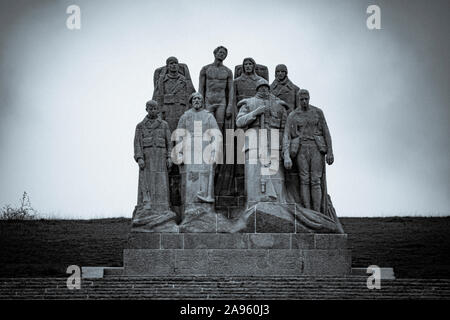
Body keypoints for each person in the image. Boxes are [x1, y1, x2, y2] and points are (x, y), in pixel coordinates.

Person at [235, 79, 288, 205]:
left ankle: (277, 204)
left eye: (266, 87)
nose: (263, 90)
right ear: (257, 89)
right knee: (253, 174)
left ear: (269, 89)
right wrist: (255, 113)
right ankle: (254, 204)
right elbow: (239, 122)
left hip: (273, 142)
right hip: (254, 140)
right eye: (261, 87)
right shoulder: (248, 103)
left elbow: (285, 128)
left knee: (275, 175)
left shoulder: (279, 105)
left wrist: (285, 150)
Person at [283, 89, 334, 213]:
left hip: (316, 147)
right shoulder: (293, 115)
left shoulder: (317, 112)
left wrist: (330, 151)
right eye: (301, 99)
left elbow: (326, 131)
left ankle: (317, 212)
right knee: (304, 180)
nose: (304, 101)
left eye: (306, 99)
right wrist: (286, 156)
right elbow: (286, 135)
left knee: (316, 180)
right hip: (301, 148)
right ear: (298, 100)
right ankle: (308, 211)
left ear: (309, 98)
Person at [132, 100, 177, 231]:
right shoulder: (140, 126)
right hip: (147, 158)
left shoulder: (164, 125)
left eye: (155, 108)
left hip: (161, 157)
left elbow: (169, 142)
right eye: (150, 108)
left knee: (161, 182)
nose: (153, 110)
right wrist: (139, 158)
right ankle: (147, 206)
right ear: (146, 109)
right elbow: (137, 144)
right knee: (146, 182)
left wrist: (169, 157)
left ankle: (163, 209)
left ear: (158, 110)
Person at [153, 56, 195, 132]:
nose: (174, 65)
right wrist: (159, 112)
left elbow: (190, 95)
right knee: (169, 133)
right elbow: (157, 97)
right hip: (168, 111)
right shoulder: (162, 81)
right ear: (167, 66)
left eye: (176, 63)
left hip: (181, 110)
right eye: (171, 63)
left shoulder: (184, 80)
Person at [198, 46, 233, 132]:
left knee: (219, 126)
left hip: (221, 101)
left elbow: (231, 89)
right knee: (207, 125)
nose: (222, 55)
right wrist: (200, 103)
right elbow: (201, 88)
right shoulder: (205, 69)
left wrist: (230, 106)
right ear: (215, 53)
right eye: (220, 52)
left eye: (224, 54)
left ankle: (218, 145)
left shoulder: (228, 71)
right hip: (208, 100)